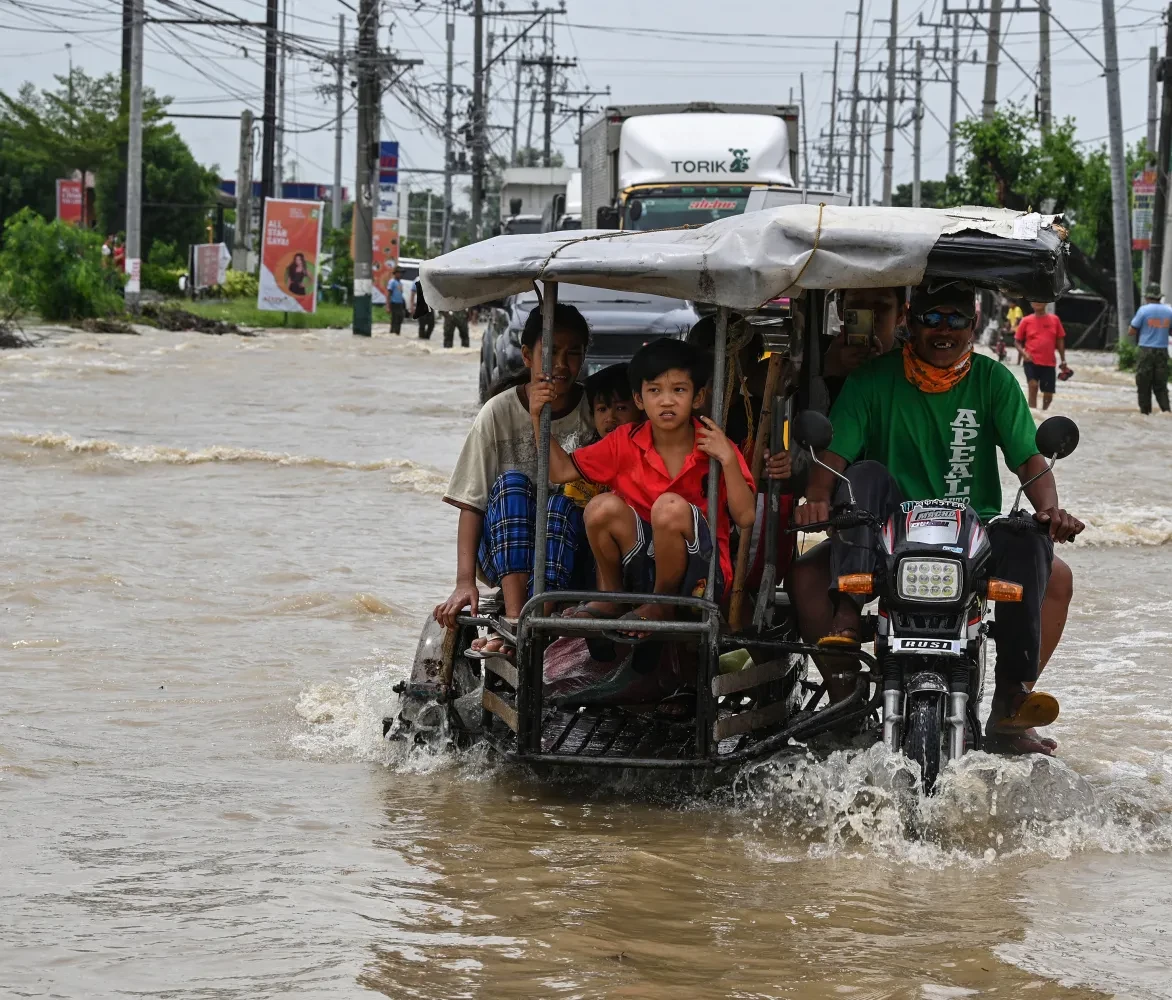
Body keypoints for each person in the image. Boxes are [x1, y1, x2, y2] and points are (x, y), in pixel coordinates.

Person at [794, 278, 1084, 756]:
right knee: (806, 574)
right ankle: (845, 695)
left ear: (973, 326)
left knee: (1056, 576)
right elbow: (835, 461)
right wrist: (816, 501)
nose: (942, 330)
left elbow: (1029, 459)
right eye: (931, 319)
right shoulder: (872, 380)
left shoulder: (994, 381)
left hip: (975, 532)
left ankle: (1013, 699)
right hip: (886, 532)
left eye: (955, 320)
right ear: (910, 322)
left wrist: (1049, 511)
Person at [531, 338, 756, 632]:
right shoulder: (624, 440)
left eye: (679, 390)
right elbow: (559, 471)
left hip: (702, 575)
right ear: (639, 399)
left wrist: (727, 459)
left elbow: (746, 517)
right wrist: (538, 416)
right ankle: (612, 597)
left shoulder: (715, 445)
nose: (666, 401)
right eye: (655, 391)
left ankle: (661, 603)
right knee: (600, 507)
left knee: (669, 506)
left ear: (698, 397)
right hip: (642, 569)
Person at [433, 303, 596, 658]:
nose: (561, 366)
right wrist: (464, 582)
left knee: (562, 500)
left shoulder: (593, 411)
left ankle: (544, 617)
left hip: (573, 554)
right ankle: (513, 620)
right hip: (504, 554)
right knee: (512, 486)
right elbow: (472, 502)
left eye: (573, 354)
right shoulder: (498, 412)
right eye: (551, 353)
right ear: (527, 355)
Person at [1128, 283, 1172, 415]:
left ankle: (1145, 412)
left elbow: (1131, 331)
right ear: (1159, 297)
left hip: (1146, 351)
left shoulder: (1143, 310)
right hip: (1162, 351)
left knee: (1143, 384)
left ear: (1147, 297)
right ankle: (1166, 411)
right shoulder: (1169, 311)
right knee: (1161, 384)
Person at [1015, 301, 1067, 410]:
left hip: (1049, 363)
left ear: (1046, 302)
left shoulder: (1055, 320)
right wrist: (1023, 353)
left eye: (1040, 300)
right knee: (1033, 386)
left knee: (1048, 395)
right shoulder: (1026, 321)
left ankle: (1043, 415)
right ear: (1031, 303)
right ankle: (1033, 416)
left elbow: (1060, 340)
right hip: (1031, 362)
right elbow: (1017, 341)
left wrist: (1063, 360)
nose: (1037, 302)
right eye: (1034, 300)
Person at [387, 267, 406, 335]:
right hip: (394, 303)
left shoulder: (400, 283)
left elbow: (400, 294)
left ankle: (397, 334)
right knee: (394, 320)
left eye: (401, 273)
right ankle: (392, 333)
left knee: (400, 318)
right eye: (399, 273)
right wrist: (388, 306)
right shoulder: (392, 282)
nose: (400, 274)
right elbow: (389, 294)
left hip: (400, 304)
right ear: (396, 273)